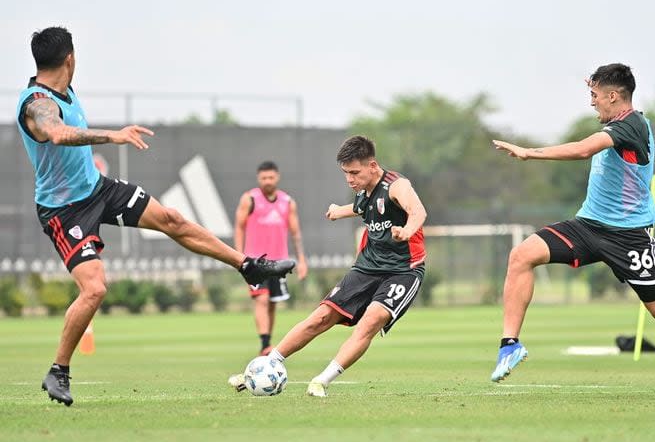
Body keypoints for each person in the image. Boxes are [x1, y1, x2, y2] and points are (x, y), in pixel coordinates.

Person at [16, 26, 294, 407]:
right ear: (70, 58)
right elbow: (58, 134)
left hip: (98, 189)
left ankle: (247, 265)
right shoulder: (36, 103)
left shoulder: (65, 90)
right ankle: (58, 370)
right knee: (95, 288)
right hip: (63, 211)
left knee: (173, 219)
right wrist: (113, 137)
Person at [491, 63, 655, 401]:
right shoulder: (613, 120)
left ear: (613, 96)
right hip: (588, 226)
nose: (592, 102)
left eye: (595, 96)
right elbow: (594, 128)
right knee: (522, 255)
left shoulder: (632, 125)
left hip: (629, 235)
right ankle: (510, 345)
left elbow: (583, 148)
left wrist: (529, 152)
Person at [229, 135, 427, 397]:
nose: (350, 179)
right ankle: (267, 365)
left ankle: (321, 381)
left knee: (370, 321)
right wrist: (337, 211)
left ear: (372, 165)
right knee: (321, 316)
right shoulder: (363, 191)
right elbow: (360, 207)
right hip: (367, 267)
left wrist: (407, 230)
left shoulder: (397, 186)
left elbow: (418, 211)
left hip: (403, 271)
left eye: (354, 172)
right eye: (345, 173)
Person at [234, 161, 308, 356]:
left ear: (277, 177)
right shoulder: (249, 199)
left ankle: (267, 342)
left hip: (278, 263)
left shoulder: (287, 202)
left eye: (271, 177)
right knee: (262, 299)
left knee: (273, 302)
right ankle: (265, 344)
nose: (267, 181)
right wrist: (239, 258)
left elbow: (295, 232)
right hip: (255, 262)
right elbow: (239, 227)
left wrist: (301, 260)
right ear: (259, 179)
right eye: (264, 178)